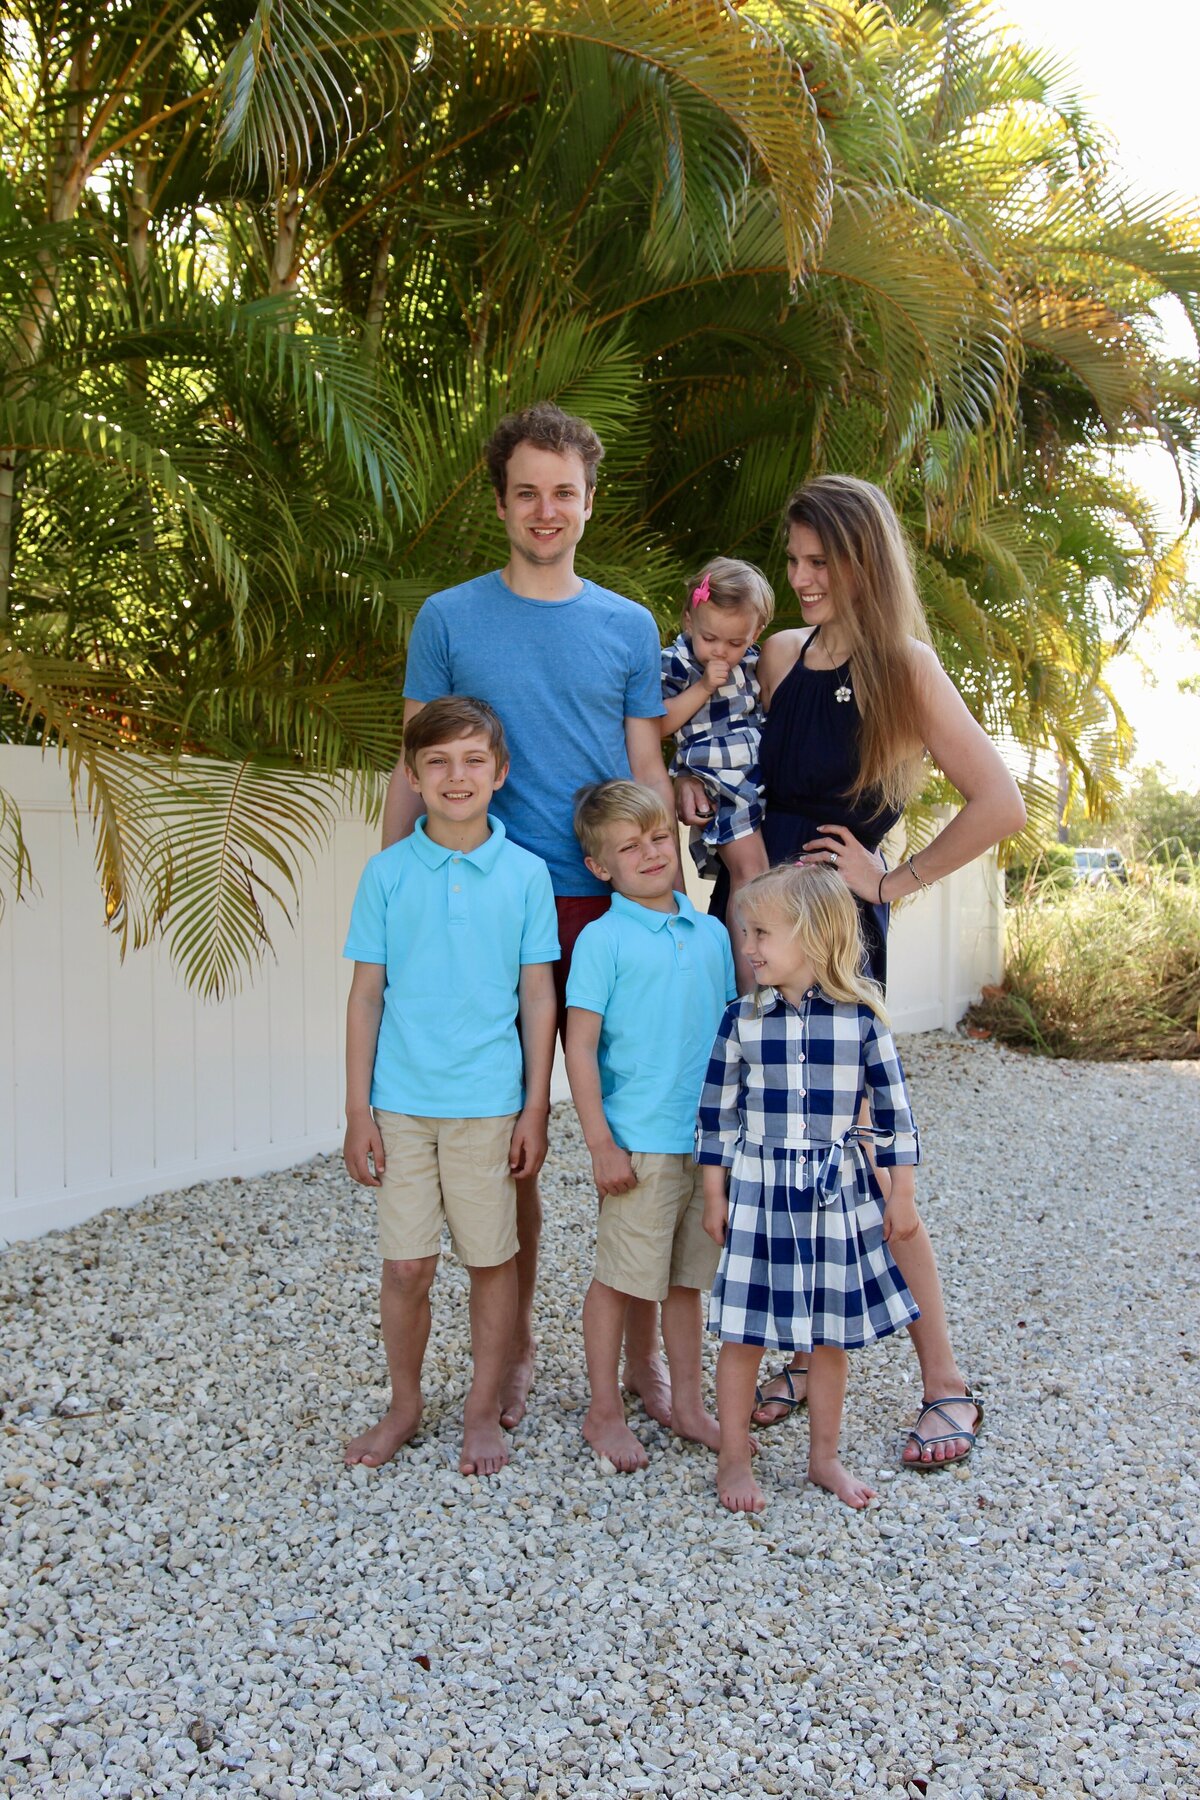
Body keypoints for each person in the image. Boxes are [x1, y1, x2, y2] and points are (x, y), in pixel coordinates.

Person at [679, 473, 1025, 1465]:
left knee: (870, 1171)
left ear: (863, 559)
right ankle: (797, 1357)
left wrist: (894, 881)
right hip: (750, 924)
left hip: (834, 949)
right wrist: (701, 796)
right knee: (767, 1152)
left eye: (818, 562)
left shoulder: (904, 669)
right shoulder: (779, 654)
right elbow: (727, 752)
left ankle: (945, 1385)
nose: (799, 579)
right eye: (791, 561)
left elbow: (1000, 802)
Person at [381, 402, 676, 1432]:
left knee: (634, 1131)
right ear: (500, 501)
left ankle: (642, 1360)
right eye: (526, 492)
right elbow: (412, 765)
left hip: (605, 906)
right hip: (489, 907)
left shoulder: (628, 626)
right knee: (507, 1141)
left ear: (588, 503)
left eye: (564, 492)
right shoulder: (448, 619)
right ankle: (506, 1356)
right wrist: (394, 888)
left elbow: (646, 770)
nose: (545, 510)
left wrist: (664, 903)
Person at [342, 697, 558, 1477]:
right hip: (400, 1104)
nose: (455, 776)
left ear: (500, 773)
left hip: (489, 1105)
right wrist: (356, 1110)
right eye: (437, 762)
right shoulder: (387, 873)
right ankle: (405, 1405)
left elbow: (539, 996)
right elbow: (367, 995)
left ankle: (480, 1407)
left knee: (490, 1259)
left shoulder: (527, 874)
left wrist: (535, 1105)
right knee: (406, 1267)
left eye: (473, 761)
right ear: (413, 774)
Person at [699, 863, 922, 1513]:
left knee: (828, 1337)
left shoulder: (862, 1021)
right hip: (760, 1191)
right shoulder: (740, 1020)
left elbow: (894, 1115)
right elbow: (716, 1116)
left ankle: (824, 1458)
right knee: (742, 1333)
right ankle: (734, 1460)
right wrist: (716, 1195)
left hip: (835, 1198)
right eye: (746, 931)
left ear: (816, 935)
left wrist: (900, 1193)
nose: (748, 946)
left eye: (762, 932)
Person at [564, 781, 737, 1470]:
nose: (651, 853)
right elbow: (578, 1047)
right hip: (639, 1142)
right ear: (600, 867)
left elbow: (730, 1035)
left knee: (687, 1282)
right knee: (620, 1278)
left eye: (659, 837)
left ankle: (689, 1404)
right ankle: (602, 1409)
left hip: (707, 1143)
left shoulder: (713, 932)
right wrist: (601, 1143)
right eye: (629, 847)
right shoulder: (602, 940)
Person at [660, 557, 773, 993]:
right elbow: (658, 723)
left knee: (766, 879)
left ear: (755, 633)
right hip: (719, 781)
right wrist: (704, 686)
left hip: (757, 776)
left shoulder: (753, 661)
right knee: (752, 878)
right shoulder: (677, 663)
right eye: (710, 638)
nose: (721, 652)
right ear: (689, 617)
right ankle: (751, 992)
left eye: (735, 642)